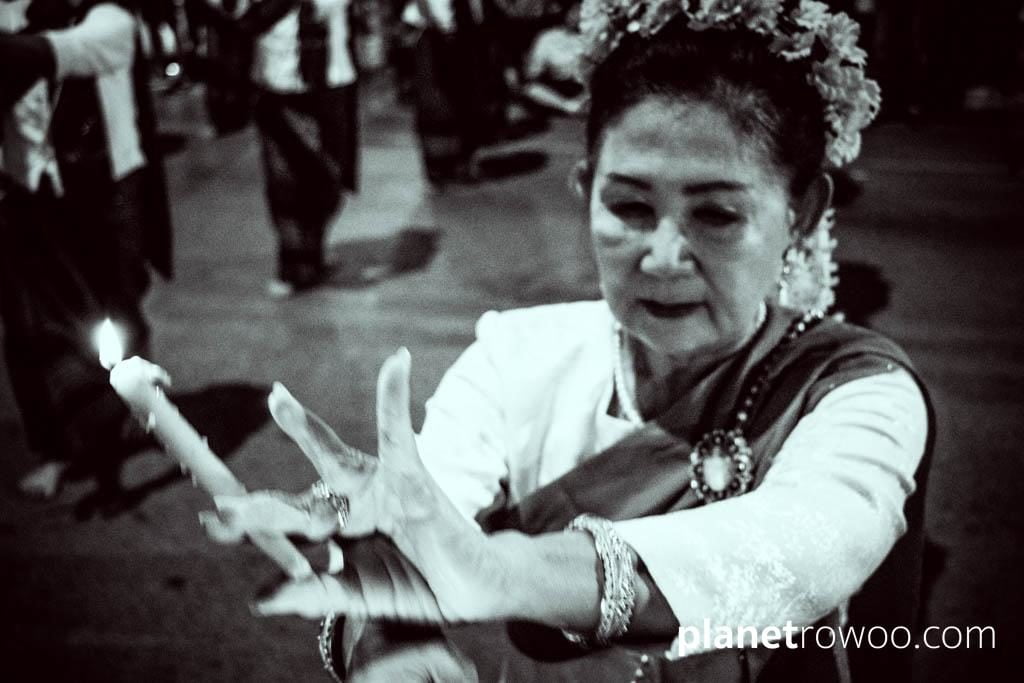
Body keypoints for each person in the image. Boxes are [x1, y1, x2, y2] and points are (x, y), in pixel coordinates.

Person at [205, 1, 931, 681]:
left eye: (716, 214)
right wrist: (393, 626)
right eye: (629, 205)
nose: (664, 256)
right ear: (584, 189)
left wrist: (505, 572)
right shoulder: (516, 356)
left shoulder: (858, 394)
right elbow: (420, 515)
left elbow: (805, 547)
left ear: (802, 212)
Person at [0, 0, 172, 499]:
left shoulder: (109, 17)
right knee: (32, 329)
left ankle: (130, 416)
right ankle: (60, 445)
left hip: (108, 186)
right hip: (26, 188)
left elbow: (66, 52)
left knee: (117, 310)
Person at [206, 0, 359, 295]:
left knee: (327, 177)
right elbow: (232, 13)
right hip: (277, 89)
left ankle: (312, 252)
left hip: (330, 82)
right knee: (284, 184)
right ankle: (294, 264)